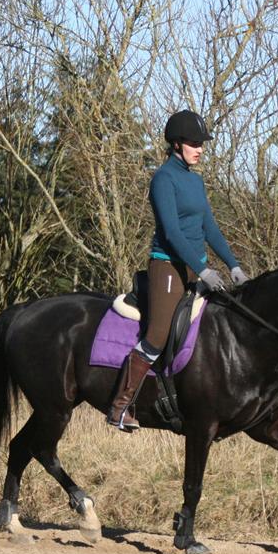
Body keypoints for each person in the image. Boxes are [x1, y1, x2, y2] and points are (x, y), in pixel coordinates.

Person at [107, 110, 248, 431]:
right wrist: (202, 267)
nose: (200, 149)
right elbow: (171, 232)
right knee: (157, 335)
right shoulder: (163, 179)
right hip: (167, 265)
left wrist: (233, 263)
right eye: (195, 143)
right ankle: (120, 406)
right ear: (176, 144)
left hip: (195, 268)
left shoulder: (195, 181)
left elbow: (208, 226)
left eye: (202, 144)